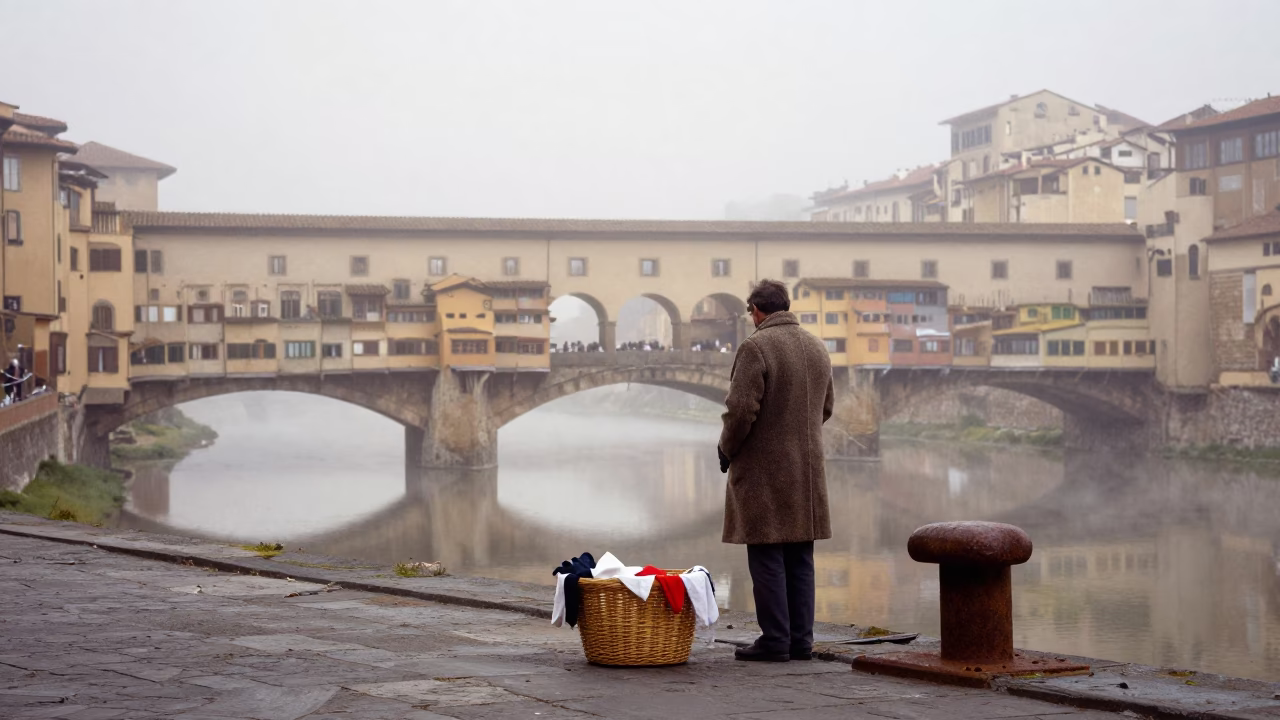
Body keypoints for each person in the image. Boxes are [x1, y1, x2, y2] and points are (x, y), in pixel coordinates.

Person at [718, 279, 833, 663]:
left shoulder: (756, 346)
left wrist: (726, 448)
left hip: (765, 469)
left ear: (756, 309)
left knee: (766, 554)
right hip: (808, 467)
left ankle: (774, 641)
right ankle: (800, 641)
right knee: (800, 556)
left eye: (750, 312)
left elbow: (740, 411)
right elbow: (826, 408)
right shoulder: (817, 347)